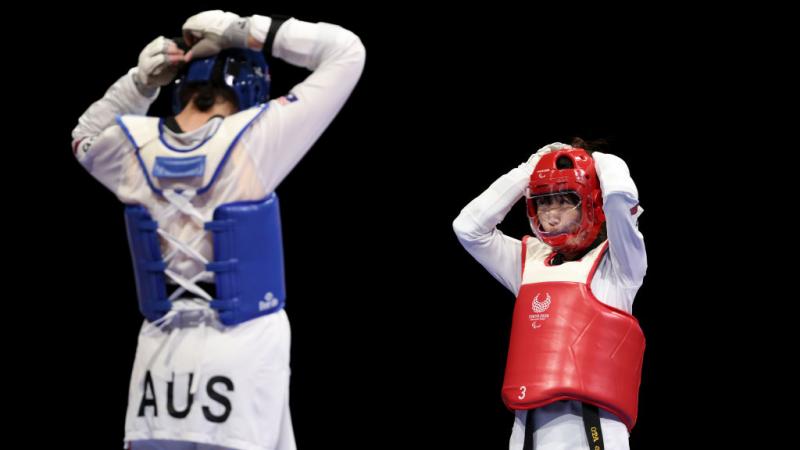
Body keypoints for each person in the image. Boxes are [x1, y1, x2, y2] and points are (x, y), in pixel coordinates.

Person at [72, 9, 365, 450]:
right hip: (242, 352)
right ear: (251, 89)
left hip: (159, 365)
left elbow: (84, 137)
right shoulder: (254, 136)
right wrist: (246, 31)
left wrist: (139, 81)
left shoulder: (129, 144)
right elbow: (346, 51)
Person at [452, 139, 647, 450]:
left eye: (563, 201)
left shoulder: (620, 265)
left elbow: (620, 199)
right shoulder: (527, 261)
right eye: (544, 202)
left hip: (594, 431)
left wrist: (600, 161)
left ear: (590, 201)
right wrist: (528, 171)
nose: (551, 215)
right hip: (525, 429)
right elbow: (468, 228)